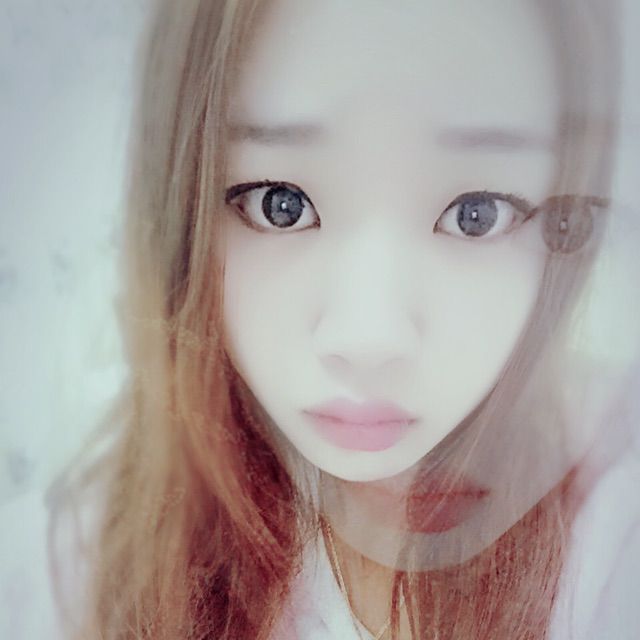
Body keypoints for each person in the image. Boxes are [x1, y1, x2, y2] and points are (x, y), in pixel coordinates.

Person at [46, 1, 640, 638]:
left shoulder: (612, 517)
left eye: (478, 214)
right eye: (279, 205)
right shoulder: (101, 545)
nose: (368, 340)